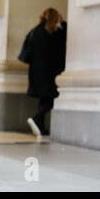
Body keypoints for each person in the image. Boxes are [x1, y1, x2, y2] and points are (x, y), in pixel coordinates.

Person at [26, 8, 67, 137]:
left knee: (44, 98)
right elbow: (67, 38)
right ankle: (37, 118)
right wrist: (64, 23)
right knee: (52, 97)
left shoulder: (35, 31)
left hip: (35, 72)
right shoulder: (54, 33)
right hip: (50, 72)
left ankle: (41, 128)